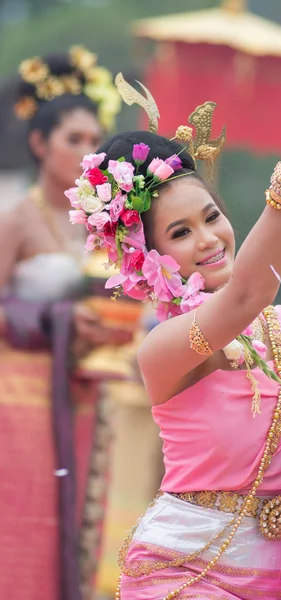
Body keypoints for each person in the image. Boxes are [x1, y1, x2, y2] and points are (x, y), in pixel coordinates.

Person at [67, 84, 281, 600]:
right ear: (147, 257)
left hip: (275, 582)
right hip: (178, 575)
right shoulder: (164, 349)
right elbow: (247, 295)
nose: (206, 239)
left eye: (212, 217)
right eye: (179, 233)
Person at [0, 48, 130, 600]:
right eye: (72, 141)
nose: (85, 154)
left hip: (90, 390)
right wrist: (58, 317)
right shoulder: (17, 219)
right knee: (26, 519)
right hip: (22, 395)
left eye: (93, 143)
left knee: (82, 521)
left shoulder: (105, 224)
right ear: (38, 144)